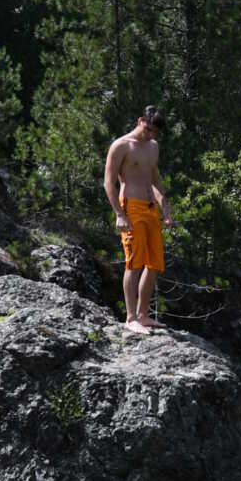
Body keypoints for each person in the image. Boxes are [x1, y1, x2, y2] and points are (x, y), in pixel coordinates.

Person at [102, 105, 171, 333]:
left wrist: (165, 206)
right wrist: (119, 214)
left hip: (151, 208)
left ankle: (143, 315)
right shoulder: (121, 146)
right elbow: (108, 183)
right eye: (148, 128)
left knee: (154, 264)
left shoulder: (153, 147)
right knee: (134, 262)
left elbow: (154, 178)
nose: (150, 134)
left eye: (154, 132)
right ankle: (130, 318)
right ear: (140, 120)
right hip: (130, 207)